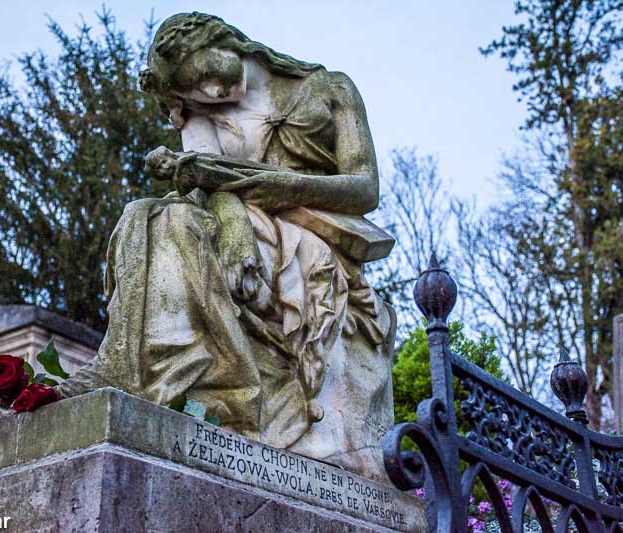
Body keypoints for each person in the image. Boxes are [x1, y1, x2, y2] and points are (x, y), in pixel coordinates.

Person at [59, 12, 395, 480]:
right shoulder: (204, 115)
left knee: (172, 222)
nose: (212, 95)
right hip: (239, 221)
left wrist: (267, 185)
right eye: (194, 93)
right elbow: (205, 191)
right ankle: (132, 367)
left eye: (205, 77)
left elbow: (365, 189)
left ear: (223, 41)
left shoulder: (331, 89)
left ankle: (213, 383)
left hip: (312, 231)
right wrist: (234, 222)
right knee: (146, 215)